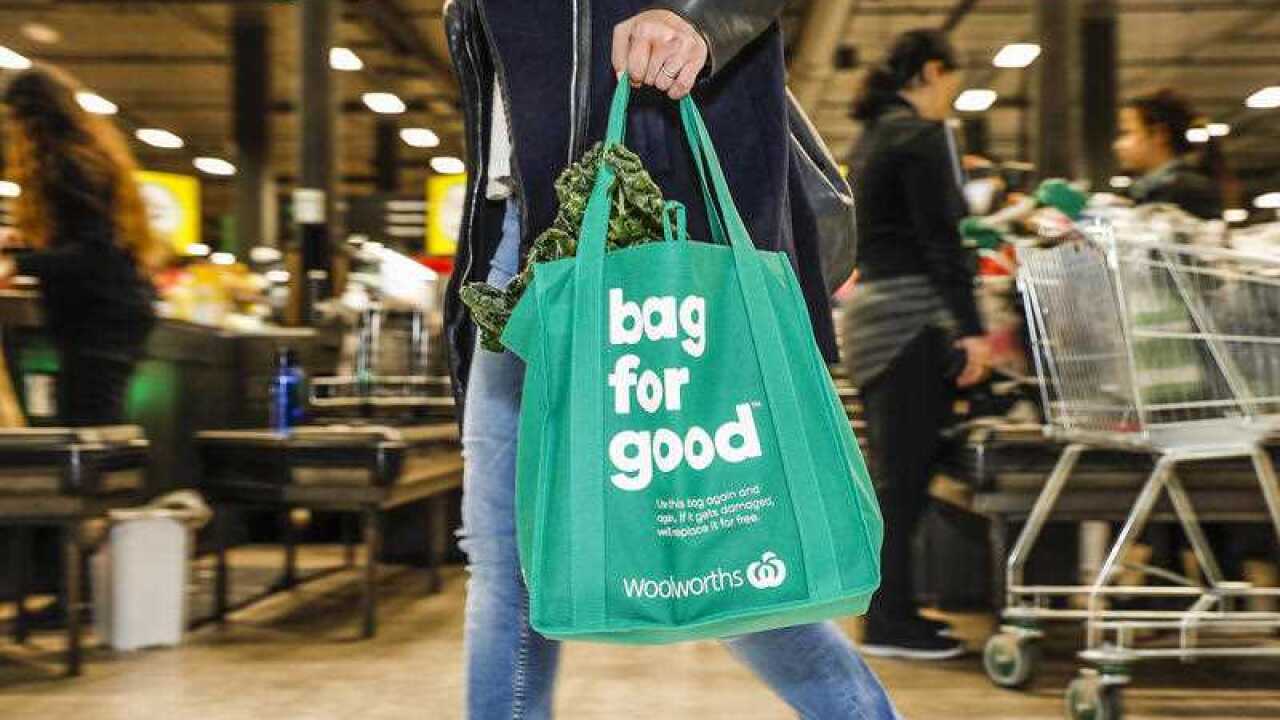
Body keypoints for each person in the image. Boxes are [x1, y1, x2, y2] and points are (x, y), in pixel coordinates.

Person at [443, 2, 899, 718]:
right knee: (507, 552)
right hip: (521, 237)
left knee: (722, 541)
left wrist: (697, 18)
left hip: (654, 218)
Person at [841, 29, 990, 661]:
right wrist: (974, 330)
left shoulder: (871, 138)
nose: (951, 96)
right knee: (904, 479)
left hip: (873, 318)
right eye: (951, 80)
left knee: (893, 476)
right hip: (909, 320)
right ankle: (890, 621)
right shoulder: (923, 137)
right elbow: (943, 245)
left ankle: (891, 611)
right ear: (933, 71)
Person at [0, 66, 161, 426]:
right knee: (92, 425)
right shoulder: (86, 156)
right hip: (111, 315)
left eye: (15, 121)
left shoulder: (69, 164)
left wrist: (19, 265)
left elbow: (95, 253)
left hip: (102, 320)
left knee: (89, 430)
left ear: (35, 119)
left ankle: (106, 484)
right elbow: (88, 236)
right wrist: (21, 243)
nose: (13, 134)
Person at [1113, 88, 1225, 220]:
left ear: (1159, 135)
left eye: (1126, 133)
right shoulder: (1135, 194)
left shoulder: (1190, 192)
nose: (1118, 145)